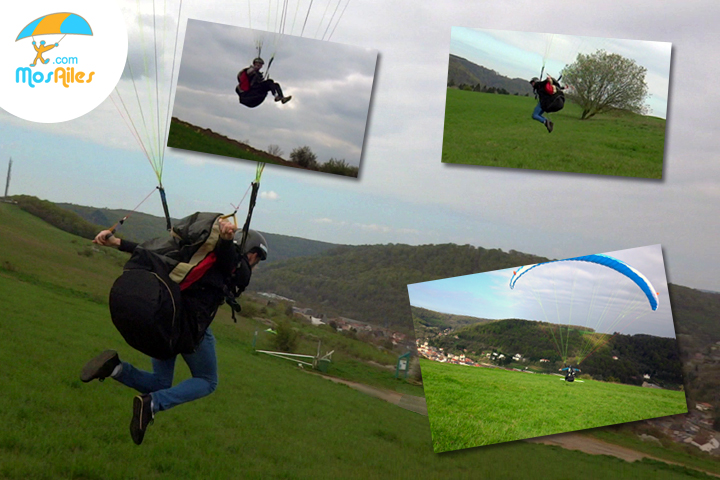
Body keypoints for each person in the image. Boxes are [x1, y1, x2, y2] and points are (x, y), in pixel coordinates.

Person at [80, 223, 269, 445]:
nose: (254, 266)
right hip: (188, 329)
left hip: (163, 317)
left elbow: (154, 253)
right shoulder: (238, 266)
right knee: (207, 381)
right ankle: (152, 404)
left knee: (161, 382)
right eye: (257, 260)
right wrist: (227, 242)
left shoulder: (194, 253)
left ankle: (115, 368)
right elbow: (234, 266)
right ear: (253, 254)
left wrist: (117, 242)